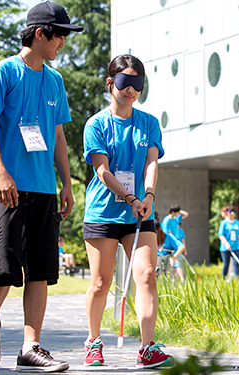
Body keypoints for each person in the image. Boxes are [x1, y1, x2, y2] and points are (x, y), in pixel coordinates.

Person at [0, 2, 81, 372]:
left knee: (41, 269)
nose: (63, 44)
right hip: (6, 186)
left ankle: (30, 347)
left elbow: (57, 135)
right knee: (4, 268)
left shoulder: (55, 80)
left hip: (44, 188)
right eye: (61, 36)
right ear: (41, 33)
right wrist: (1, 172)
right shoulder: (3, 72)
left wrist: (66, 183)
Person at [81, 54, 174, 369]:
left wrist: (147, 195)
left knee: (147, 275)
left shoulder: (148, 122)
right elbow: (102, 171)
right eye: (125, 82)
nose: (131, 89)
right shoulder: (96, 124)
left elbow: (151, 161)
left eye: (137, 84)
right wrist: (130, 197)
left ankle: (148, 347)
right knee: (100, 282)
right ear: (110, 83)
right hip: (103, 213)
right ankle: (93, 341)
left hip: (140, 212)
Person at [160, 205, 188, 276]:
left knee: (177, 263)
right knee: (181, 247)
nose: (178, 214)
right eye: (177, 212)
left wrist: (178, 210)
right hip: (170, 240)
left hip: (175, 240)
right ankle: (173, 258)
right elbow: (167, 232)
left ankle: (178, 280)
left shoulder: (176, 218)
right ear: (172, 212)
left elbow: (186, 214)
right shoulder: (166, 220)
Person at [218, 205, 239, 279]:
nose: (232, 213)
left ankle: (237, 279)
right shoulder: (224, 223)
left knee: (236, 264)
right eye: (230, 211)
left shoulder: (237, 223)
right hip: (226, 248)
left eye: (233, 211)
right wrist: (226, 243)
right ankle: (224, 278)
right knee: (226, 264)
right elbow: (221, 235)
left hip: (236, 247)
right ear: (227, 213)